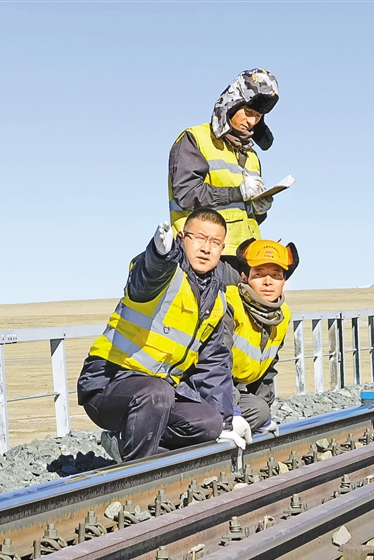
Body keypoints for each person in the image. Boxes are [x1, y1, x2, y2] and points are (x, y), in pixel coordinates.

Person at [77, 209, 252, 462]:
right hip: (107, 383)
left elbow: (213, 366)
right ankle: (138, 476)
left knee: (209, 424)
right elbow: (145, 278)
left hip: (157, 394)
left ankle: (131, 450)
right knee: (158, 392)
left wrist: (225, 423)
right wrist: (159, 254)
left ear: (222, 248)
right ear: (182, 237)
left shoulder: (216, 301)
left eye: (215, 242)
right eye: (199, 238)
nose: (206, 248)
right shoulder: (166, 272)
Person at [168, 69, 280, 268]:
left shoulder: (252, 156)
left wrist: (259, 209)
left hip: (245, 258)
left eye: (258, 116)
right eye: (248, 113)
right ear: (232, 104)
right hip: (203, 257)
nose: (252, 122)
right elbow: (186, 195)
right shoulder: (196, 139)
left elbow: (244, 215)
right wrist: (237, 193)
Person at [225, 238, 298, 439]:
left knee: (260, 409)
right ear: (244, 276)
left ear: (284, 281)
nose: (268, 282)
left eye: (276, 275)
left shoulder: (281, 315)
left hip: (233, 390)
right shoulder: (229, 305)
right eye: (259, 274)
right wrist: (232, 412)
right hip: (207, 389)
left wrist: (264, 416)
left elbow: (267, 369)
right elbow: (216, 365)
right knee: (256, 410)